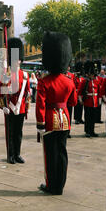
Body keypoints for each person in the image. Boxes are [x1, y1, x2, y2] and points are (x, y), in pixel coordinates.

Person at [36, 32, 77, 195]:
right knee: (62, 154)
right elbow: (73, 102)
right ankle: (60, 185)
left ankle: (51, 185)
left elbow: (40, 105)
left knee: (50, 155)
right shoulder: (69, 81)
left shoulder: (44, 81)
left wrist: (40, 124)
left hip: (49, 120)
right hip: (65, 120)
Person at [0, 37, 30, 164]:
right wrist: (3, 106)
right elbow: (1, 92)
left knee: (18, 133)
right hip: (10, 106)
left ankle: (17, 154)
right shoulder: (6, 74)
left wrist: (26, 108)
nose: (17, 61)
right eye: (15, 59)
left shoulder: (25, 75)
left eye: (19, 59)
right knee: (10, 133)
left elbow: (27, 94)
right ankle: (10, 155)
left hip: (20, 107)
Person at [78, 61, 101, 138]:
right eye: (91, 74)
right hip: (87, 102)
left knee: (93, 118)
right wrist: (80, 100)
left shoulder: (96, 82)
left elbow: (98, 92)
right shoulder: (84, 82)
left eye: (93, 74)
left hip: (94, 102)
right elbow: (80, 92)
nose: (92, 75)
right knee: (87, 118)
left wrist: (99, 101)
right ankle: (87, 131)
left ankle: (92, 131)